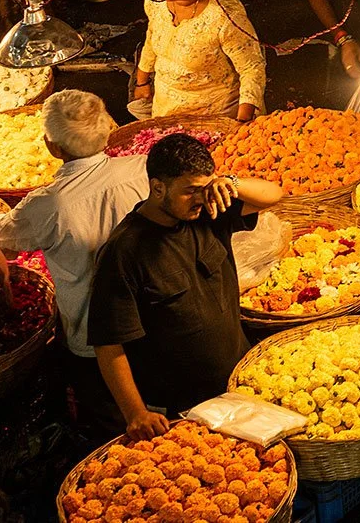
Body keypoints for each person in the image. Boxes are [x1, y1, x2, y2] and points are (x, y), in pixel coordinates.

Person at [88, 134, 286, 437]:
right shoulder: (123, 252)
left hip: (239, 379)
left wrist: (230, 182)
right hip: (182, 408)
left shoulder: (208, 211)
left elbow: (273, 194)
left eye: (205, 187)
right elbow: (109, 343)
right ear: (157, 188)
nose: (200, 197)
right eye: (190, 190)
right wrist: (136, 413)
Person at [0, 91, 151, 395]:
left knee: (105, 408)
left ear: (53, 146)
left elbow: (5, 239)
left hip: (93, 335)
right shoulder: (142, 168)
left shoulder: (48, 204)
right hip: (152, 319)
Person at [135, 0, 265, 121]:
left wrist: (241, 123)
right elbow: (152, 34)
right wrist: (142, 80)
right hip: (166, 111)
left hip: (216, 116)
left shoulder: (224, 17)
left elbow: (252, 68)